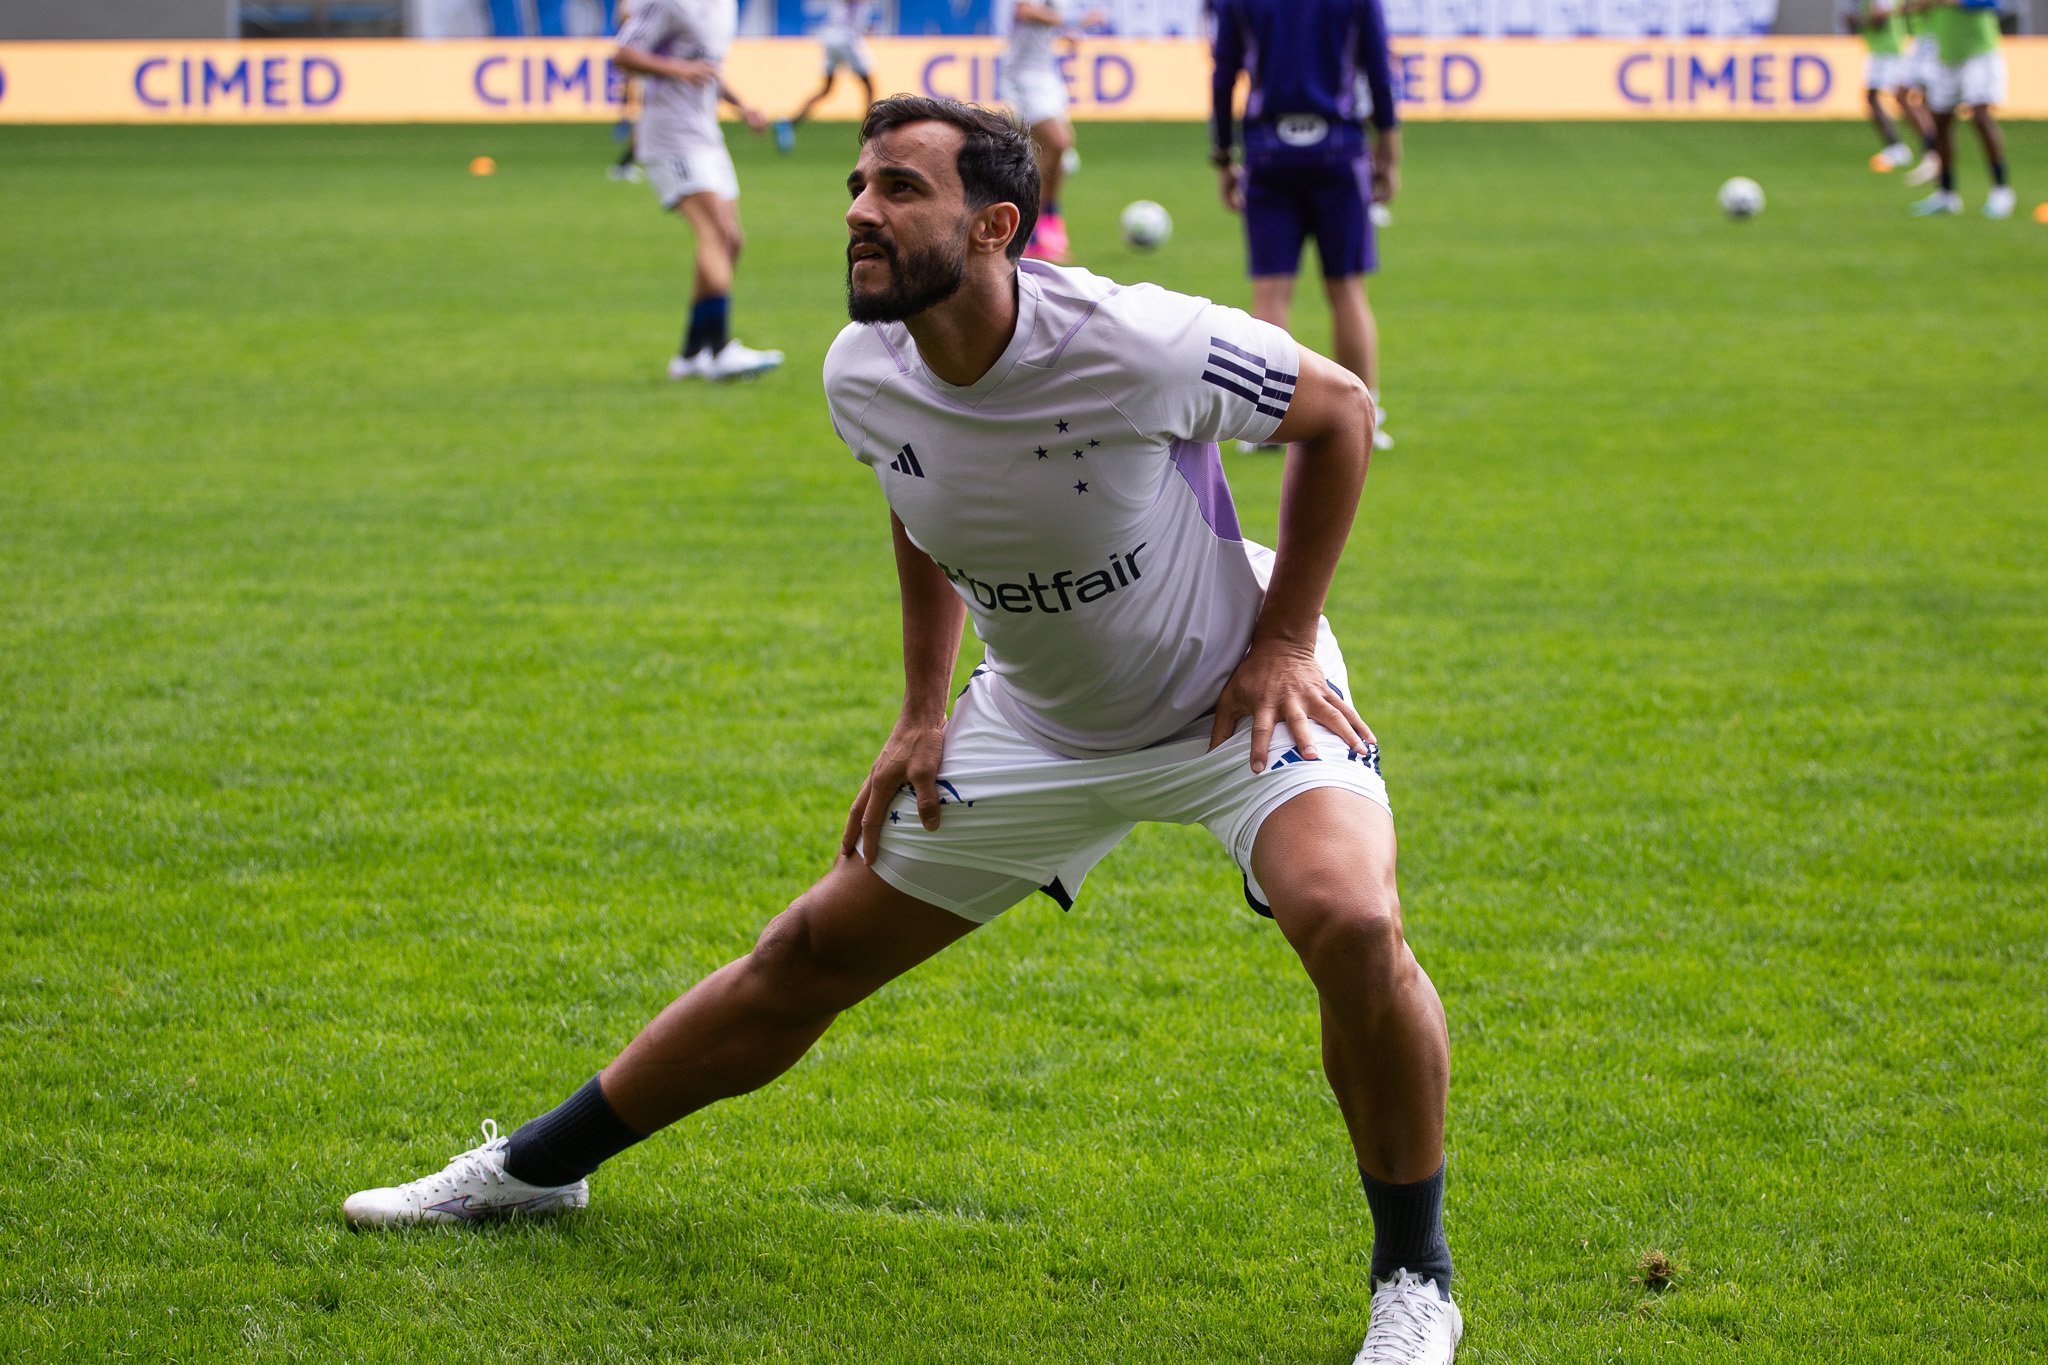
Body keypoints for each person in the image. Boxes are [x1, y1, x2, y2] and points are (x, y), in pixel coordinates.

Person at [341, 95, 1463, 1365]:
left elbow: (1341, 413)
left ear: (995, 225)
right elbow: (917, 498)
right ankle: (534, 1172)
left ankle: (1413, 1281)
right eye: (858, 187)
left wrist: (1276, 641)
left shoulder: (1136, 338)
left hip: (1235, 697)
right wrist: (922, 708)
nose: (861, 213)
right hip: (1036, 723)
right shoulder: (858, 368)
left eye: (899, 191)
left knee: (1353, 920)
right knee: (802, 958)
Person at [1210, 0, 1400, 454]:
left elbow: (1223, 75)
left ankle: (1266, 425)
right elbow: (1378, 69)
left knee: (1271, 292)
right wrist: (1389, 153)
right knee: (1347, 290)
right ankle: (1365, 416)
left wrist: (1222, 155)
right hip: (1339, 148)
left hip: (1268, 150)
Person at [613, 0, 786, 379]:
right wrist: (679, 69)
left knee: (732, 240)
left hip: (706, 135)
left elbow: (708, 68)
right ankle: (721, 349)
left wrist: (741, 105)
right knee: (716, 233)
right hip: (670, 136)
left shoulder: (724, 7)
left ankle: (691, 356)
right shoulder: (670, 4)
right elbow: (623, 54)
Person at [1002, 2, 1102, 263]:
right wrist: (1073, 21)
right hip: (1023, 75)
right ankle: (1037, 226)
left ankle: (1042, 227)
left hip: (1048, 75)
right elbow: (1025, 11)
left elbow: (1045, 22)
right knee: (1059, 142)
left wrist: (1066, 33)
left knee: (1052, 155)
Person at [1907, 0, 2015, 217]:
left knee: (1980, 117)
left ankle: (2001, 191)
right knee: (1940, 123)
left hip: (1979, 51)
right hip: (1946, 53)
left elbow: (1995, 3)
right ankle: (1946, 195)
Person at [1841, 0, 1935, 172]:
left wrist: (1857, 20)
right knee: (1889, 98)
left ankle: (1928, 148)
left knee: (1901, 98)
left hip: (1889, 49)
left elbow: (1881, 18)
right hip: (1883, 48)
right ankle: (1912, 147)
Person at [774, 0, 878, 153]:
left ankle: (789, 123)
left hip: (830, 37)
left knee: (826, 89)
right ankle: (871, 130)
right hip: (845, 38)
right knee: (868, 85)